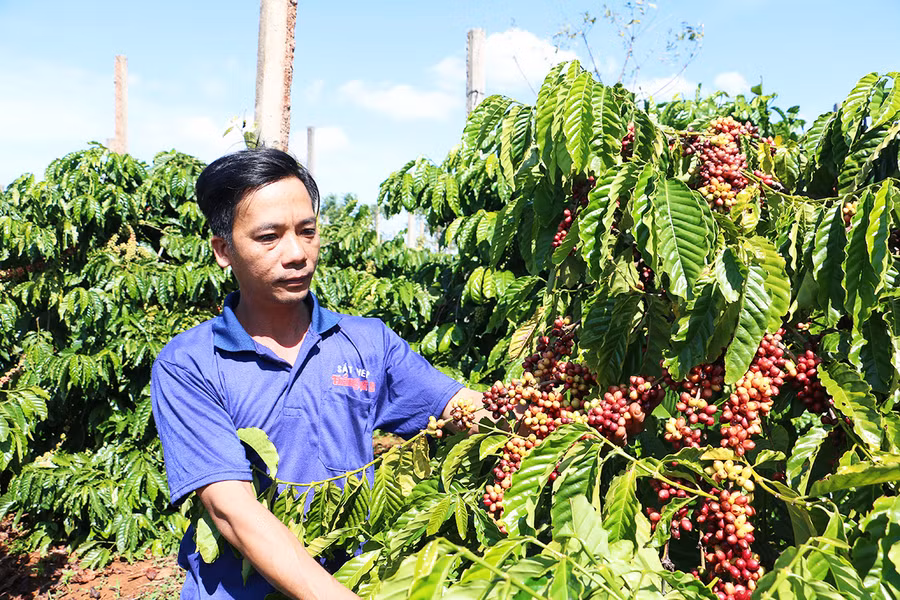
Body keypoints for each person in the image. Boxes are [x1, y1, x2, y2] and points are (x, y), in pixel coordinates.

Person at [151, 147, 487, 600]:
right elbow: (231, 509)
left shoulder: (368, 341)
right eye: (269, 237)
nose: (297, 253)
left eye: (307, 232)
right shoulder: (189, 363)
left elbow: (459, 407)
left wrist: (539, 419)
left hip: (357, 578)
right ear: (223, 250)